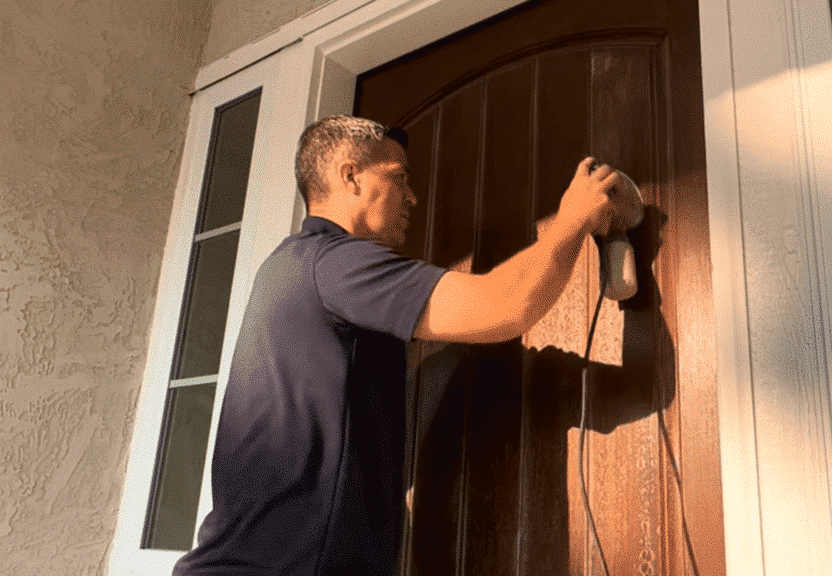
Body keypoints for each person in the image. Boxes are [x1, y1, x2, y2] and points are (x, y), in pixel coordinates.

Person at [172, 114, 620, 575]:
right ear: (350, 175)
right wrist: (572, 222)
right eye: (399, 177)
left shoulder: (291, 266)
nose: (412, 196)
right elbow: (505, 305)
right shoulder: (336, 264)